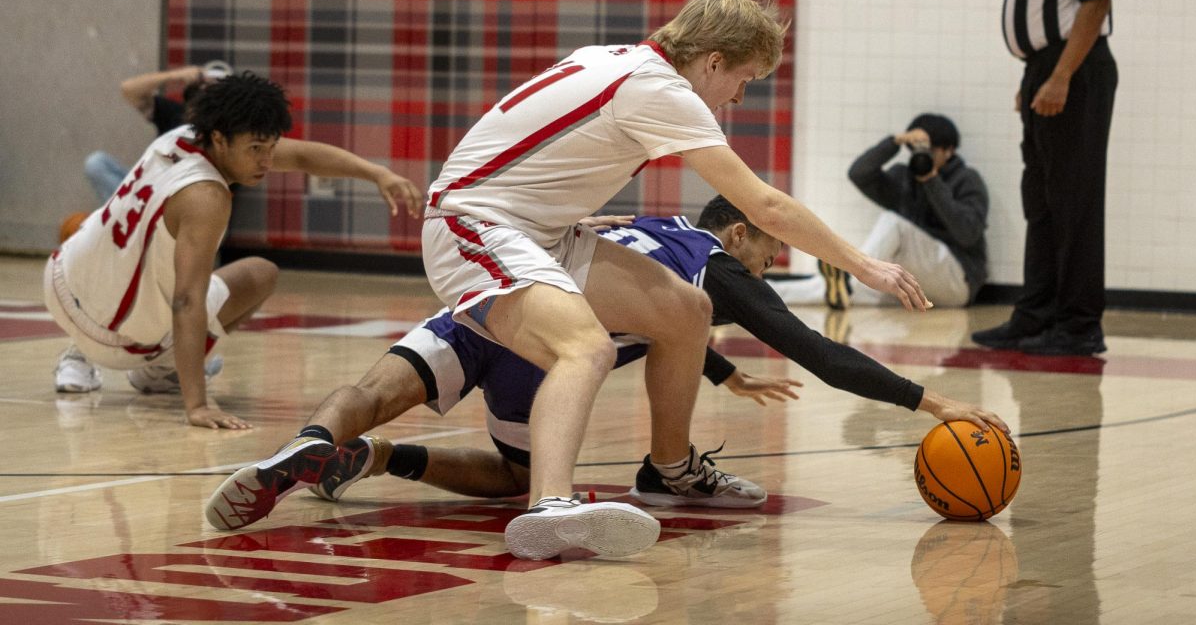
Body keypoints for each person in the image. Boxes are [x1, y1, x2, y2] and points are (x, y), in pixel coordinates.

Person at [210, 0, 933, 561]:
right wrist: (865, 264)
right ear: (713, 61)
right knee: (583, 346)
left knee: (685, 311)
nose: (738, 99)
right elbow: (765, 204)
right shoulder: (663, 89)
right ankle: (548, 506)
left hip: (539, 231)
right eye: (742, 80)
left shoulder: (615, 60)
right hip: (475, 225)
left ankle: (672, 468)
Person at [203, 197, 1004, 517]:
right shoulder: (717, 269)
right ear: (735, 234)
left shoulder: (650, 221)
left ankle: (315, 443)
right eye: (771, 245)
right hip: (550, 347)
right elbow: (820, 352)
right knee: (517, 477)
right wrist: (931, 404)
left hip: (488, 298)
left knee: (372, 387)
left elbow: (658, 324)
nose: (771, 261)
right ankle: (383, 460)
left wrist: (723, 370)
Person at [46, 71, 423, 428]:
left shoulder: (179, 137)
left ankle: (95, 357)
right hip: (115, 342)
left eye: (271, 146)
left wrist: (378, 174)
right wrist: (197, 405)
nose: (267, 161)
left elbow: (304, 156)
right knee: (231, 282)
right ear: (220, 139)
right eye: (256, 148)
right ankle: (161, 370)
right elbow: (187, 301)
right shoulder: (206, 196)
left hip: (59, 284)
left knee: (257, 273)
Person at [973, 0, 1116, 357]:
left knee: (1074, 201)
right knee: (1043, 200)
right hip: (1046, 70)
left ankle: (1079, 325)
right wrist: (1033, 78)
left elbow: (1095, 3)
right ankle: (1036, 314)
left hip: (1074, 72)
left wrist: (1059, 76)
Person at [769, 114, 988, 309]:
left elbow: (967, 234)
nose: (923, 155)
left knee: (892, 223)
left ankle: (853, 275)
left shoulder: (967, 179)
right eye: (918, 150)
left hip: (958, 282)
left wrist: (932, 180)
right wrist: (895, 142)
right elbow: (859, 174)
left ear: (948, 151)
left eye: (930, 150)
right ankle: (767, 292)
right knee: (847, 291)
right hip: (914, 284)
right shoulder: (904, 178)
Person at [84, 63, 229, 203]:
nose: (205, 90)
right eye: (201, 87)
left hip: (177, 205)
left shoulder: (223, 136)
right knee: (96, 163)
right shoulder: (176, 113)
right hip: (142, 191)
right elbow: (129, 89)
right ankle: (125, 216)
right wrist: (176, 75)